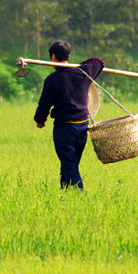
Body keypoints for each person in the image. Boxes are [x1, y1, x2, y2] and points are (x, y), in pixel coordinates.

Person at [34, 41, 104, 190]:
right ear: (69, 56)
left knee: (69, 164)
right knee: (70, 163)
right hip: (83, 126)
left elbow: (44, 105)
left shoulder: (52, 80)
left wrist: (40, 121)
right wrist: (79, 65)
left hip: (64, 129)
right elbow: (99, 62)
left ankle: (80, 194)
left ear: (52, 56)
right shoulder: (84, 72)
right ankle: (64, 192)